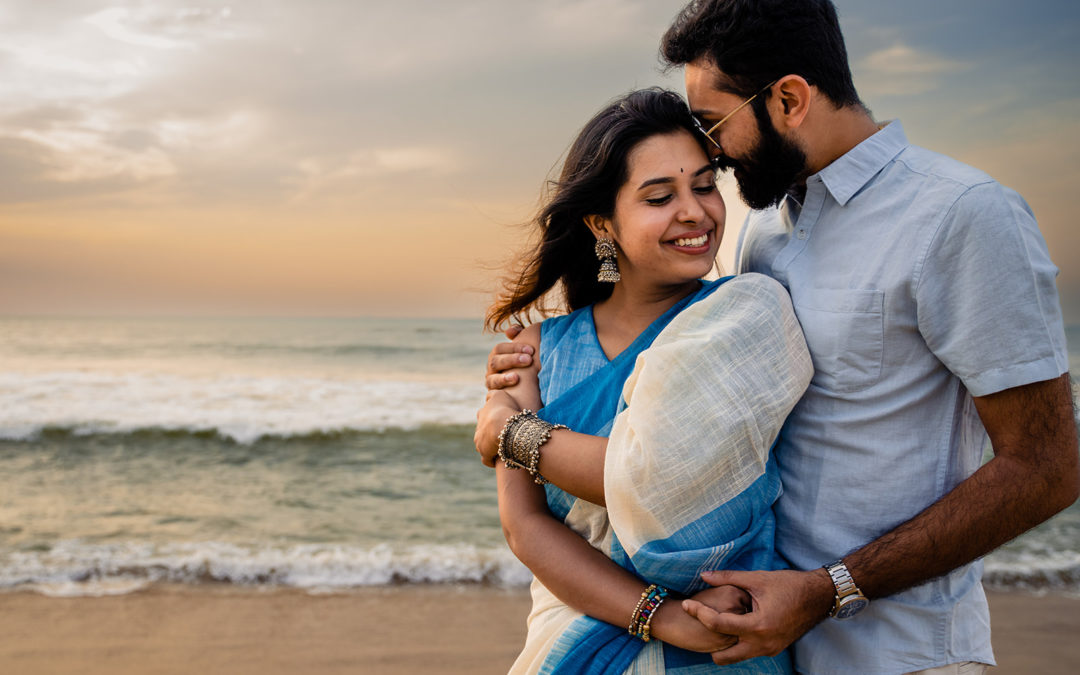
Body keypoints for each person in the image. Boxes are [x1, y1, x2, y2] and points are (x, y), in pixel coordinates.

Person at [487, 2, 1079, 673]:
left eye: (714, 128)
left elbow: (1048, 467)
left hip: (904, 651)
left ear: (790, 99)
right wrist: (543, 352)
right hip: (770, 644)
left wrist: (832, 589)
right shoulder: (768, 230)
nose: (711, 153)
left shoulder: (961, 216)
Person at [473, 87, 814, 673]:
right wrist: (660, 616)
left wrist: (512, 434)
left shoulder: (743, 317)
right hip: (575, 643)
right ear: (602, 223)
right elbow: (524, 524)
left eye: (705, 186)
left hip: (728, 642)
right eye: (660, 196)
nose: (695, 212)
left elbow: (659, 481)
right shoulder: (537, 350)